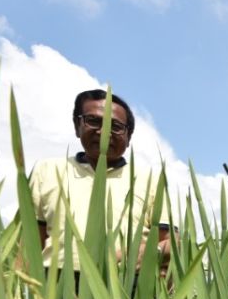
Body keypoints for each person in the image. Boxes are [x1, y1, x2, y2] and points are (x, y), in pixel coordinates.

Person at [30, 89, 166, 278]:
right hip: (57, 284)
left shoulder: (149, 180)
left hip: (126, 283)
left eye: (116, 126)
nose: (103, 132)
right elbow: (29, 241)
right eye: (93, 121)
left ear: (128, 138)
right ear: (78, 126)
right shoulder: (47, 170)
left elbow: (171, 241)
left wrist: (150, 253)